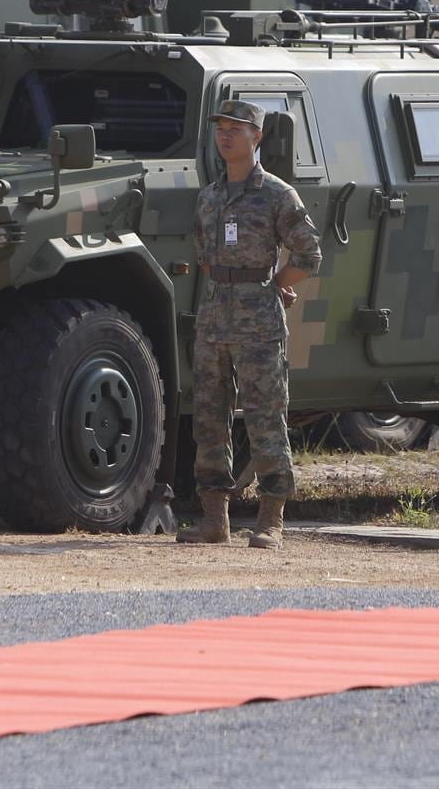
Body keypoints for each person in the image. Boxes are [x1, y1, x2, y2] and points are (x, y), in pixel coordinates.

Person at [179, 99, 322, 550]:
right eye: (221, 128)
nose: (225, 136)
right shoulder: (209, 196)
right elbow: (206, 258)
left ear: (256, 137)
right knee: (209, 421)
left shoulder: (278, 194)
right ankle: (214, 521)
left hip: (259, 325)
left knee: (265, 419)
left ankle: (270, 520)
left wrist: (273, 285)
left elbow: (308, 253)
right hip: (214, 321)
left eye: (236, 129)